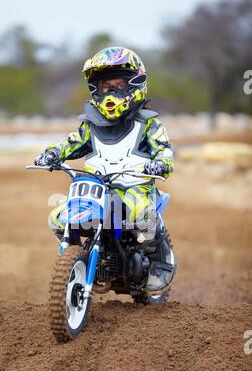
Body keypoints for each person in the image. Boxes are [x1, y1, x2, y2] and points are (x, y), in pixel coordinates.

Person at [35, 47, 176, 292]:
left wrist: (161, 162)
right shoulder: (90, 126)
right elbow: (68, 144)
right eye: (105, 87)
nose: (110, 93)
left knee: (142, 215)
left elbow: (164, 150)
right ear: (95, 90)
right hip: (95, 189)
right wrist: (52, 154)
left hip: (135, 188)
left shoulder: (149, 123)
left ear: (134, 84)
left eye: (118, 86)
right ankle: (80, 255)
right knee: (57, 217)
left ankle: (156, 260)